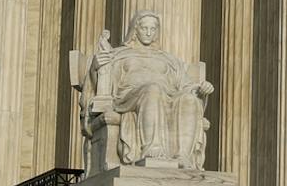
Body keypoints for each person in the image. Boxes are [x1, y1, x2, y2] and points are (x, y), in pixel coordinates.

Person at [90, 10, 213, 168]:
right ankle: (153, 148)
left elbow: (186, 85)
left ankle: (183, 155)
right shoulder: (119, 54)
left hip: (168, 95)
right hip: (129, 97)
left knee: (189, 99)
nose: (148, 33)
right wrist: (96, 67)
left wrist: (200, 90)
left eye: (153, 29)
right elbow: (100, 83)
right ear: (135, 29)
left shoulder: (169, 59)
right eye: (144, 28)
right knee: (152, 89)